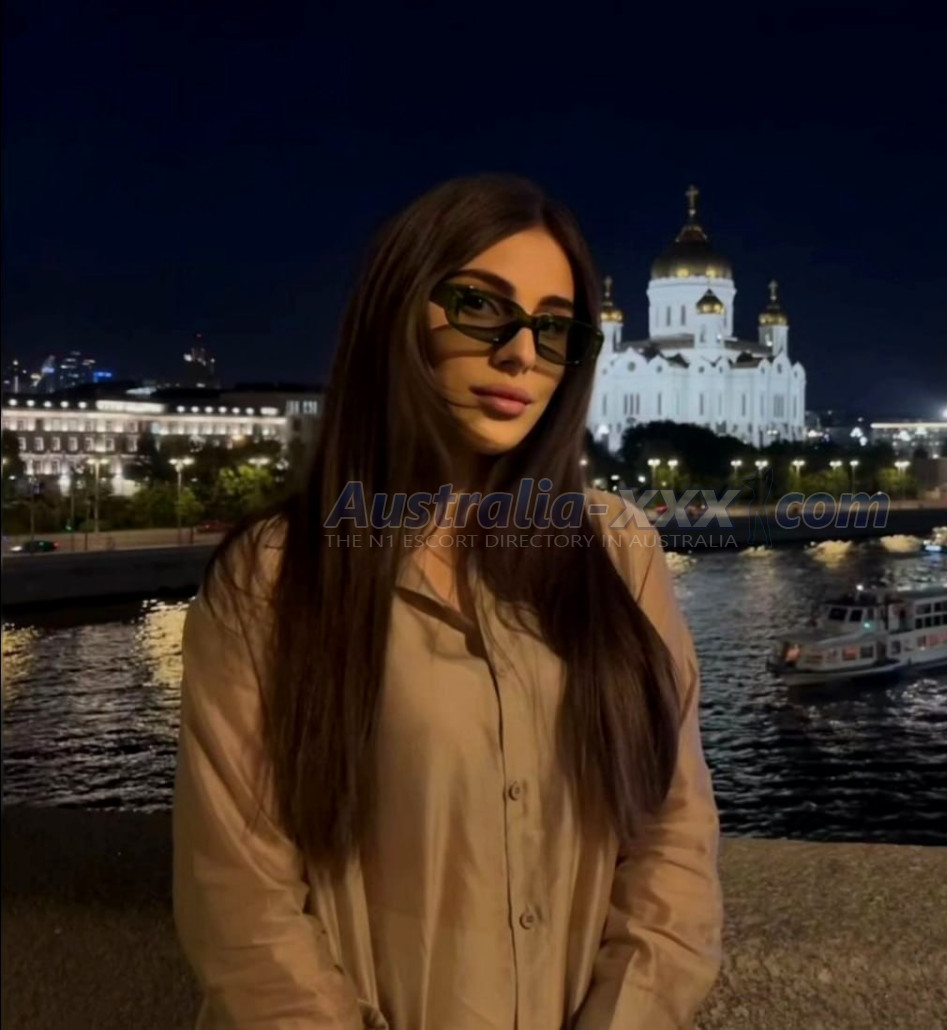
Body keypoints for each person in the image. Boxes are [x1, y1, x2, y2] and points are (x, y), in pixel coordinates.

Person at [172, 174, 723, 1029]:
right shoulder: (277, 577)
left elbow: (673, 838)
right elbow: (241, 906)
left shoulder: (616, 552)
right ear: (398, 315)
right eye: (480, 307)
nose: (520, 355)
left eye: (554, 328)